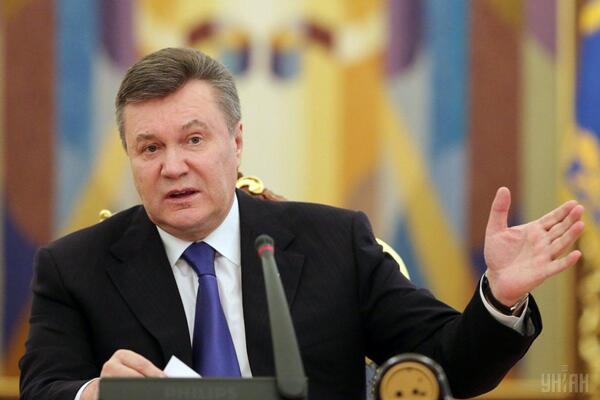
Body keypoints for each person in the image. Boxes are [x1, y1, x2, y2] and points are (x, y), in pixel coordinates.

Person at [19, 48, 585, 400]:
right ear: (130, 157)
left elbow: (450, 366)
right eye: (150, 148)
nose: (173, 166)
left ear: (236, 142)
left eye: (193, 140)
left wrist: (500, 297)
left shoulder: (333, 243)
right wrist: (96, 394)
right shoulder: (74, 267)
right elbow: (43, 387)